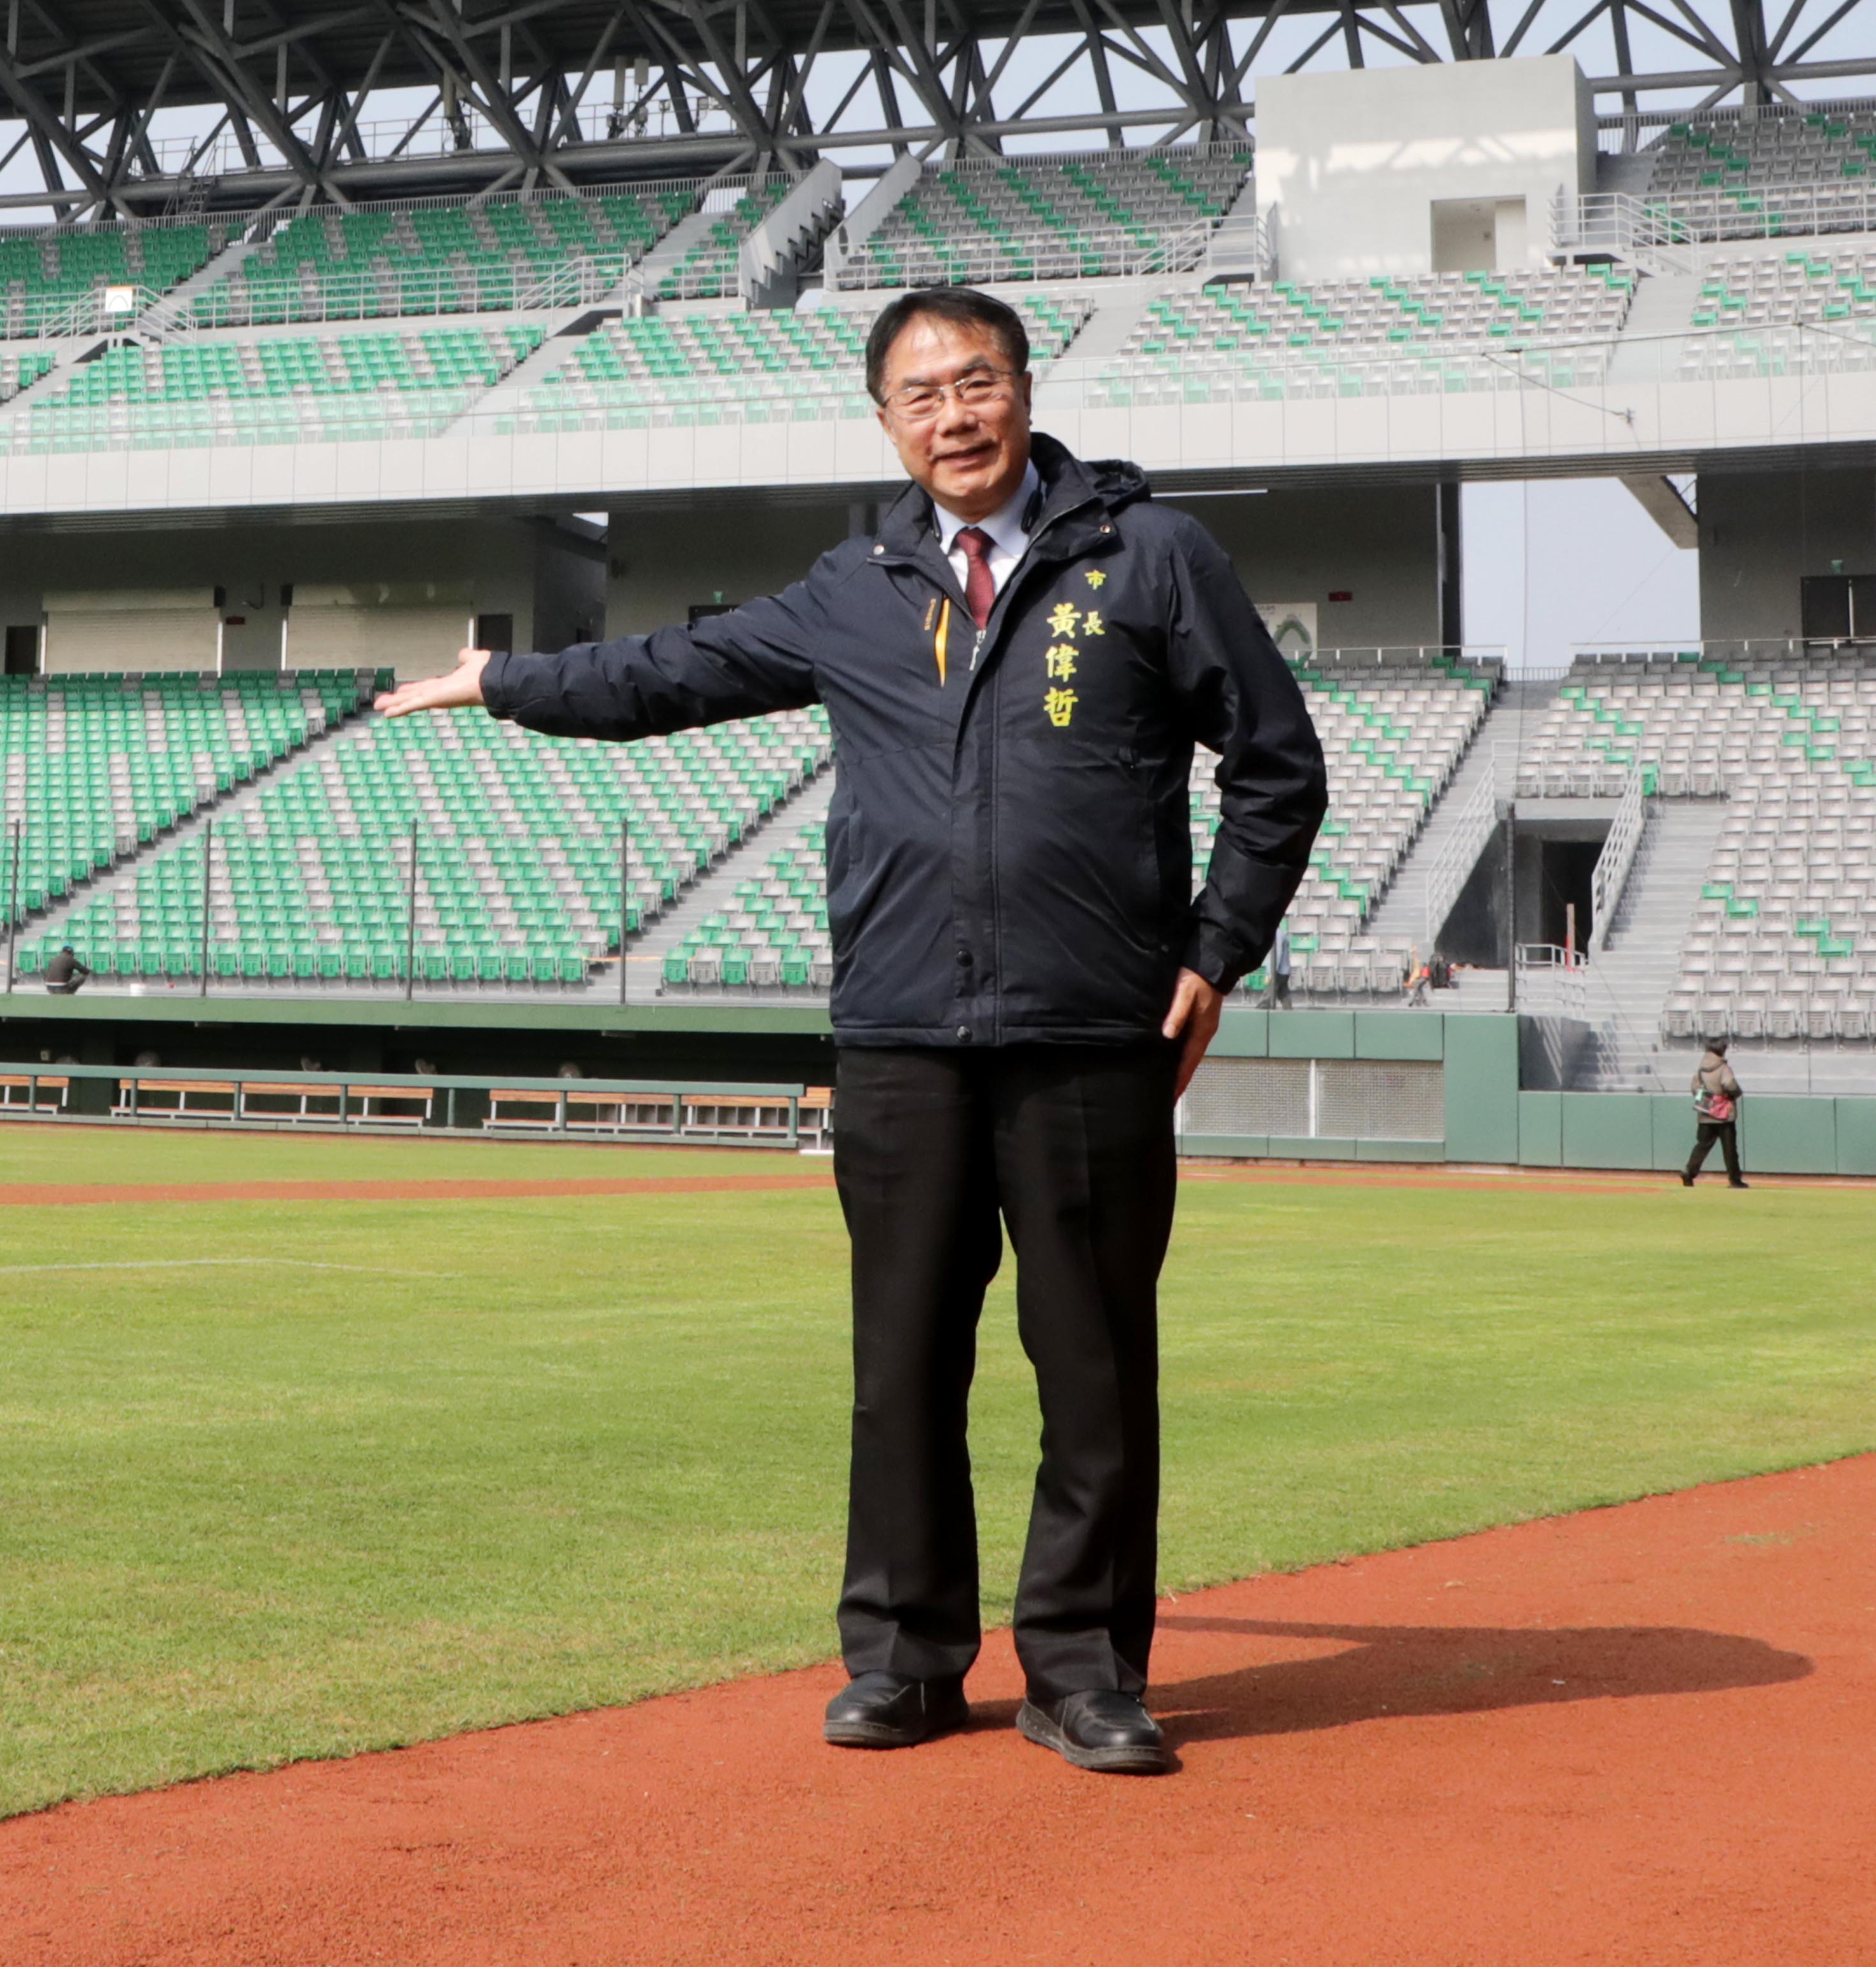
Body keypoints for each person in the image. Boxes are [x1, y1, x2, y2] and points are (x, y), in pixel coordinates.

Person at [379, 283, 1323, 1777]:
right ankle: (905, 1657)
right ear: (888, 423)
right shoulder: (855, 583)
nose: (955, 414)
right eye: (921, 394)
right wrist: (504, 679)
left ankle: (1082, 1671)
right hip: (898, 1034)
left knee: (1092, 1370)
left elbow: (1276, 766)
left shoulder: (1149, 557)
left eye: (978, 381)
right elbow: (662, 676)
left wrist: (1216, 952)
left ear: (1025, 389)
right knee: (901, 1369)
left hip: (1091, 1033)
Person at [1683, 1039, 1747, 1188]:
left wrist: (1706, 1101)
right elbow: (1730, 1084)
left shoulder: (1701, 1068)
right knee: (1730, 1149)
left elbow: (1695, 1089)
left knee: (1702, 1146)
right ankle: (1735, 1179)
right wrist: (1735, 1094)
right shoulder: (1723, 1067)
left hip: (1705, 1112)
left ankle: (1689, 1172)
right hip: (1724, 1114)